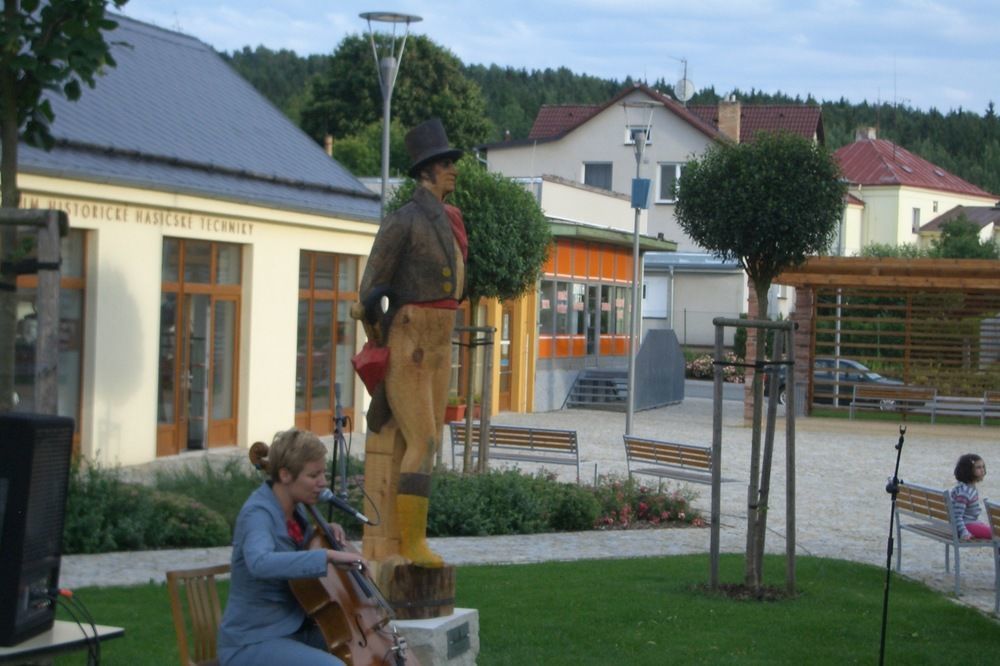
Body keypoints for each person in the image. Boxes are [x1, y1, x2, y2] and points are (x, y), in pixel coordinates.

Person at [355, 118, 467, 568]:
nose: (453, 171)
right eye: (445, 164)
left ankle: (413, 539)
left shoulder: (451, 221)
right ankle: (410, 544)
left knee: (431, 438)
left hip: (440, 342)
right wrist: (382, 343)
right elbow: (368, 294)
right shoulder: (403, 221)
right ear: (426, 172)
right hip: (411, 341)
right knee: (422, 440)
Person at [217, 428, 367, 666]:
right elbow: (260, 562)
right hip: (253, 641)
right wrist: (325, 556)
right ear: (285, 475)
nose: (322, 483)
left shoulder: (296, 511)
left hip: (294, 628)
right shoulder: (258, 514)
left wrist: (326, 531)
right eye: (313, 475)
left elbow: (300, 551)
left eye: (323, 473)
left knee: (362, 655)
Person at [950, 453, 991, 541]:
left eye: (983, 466)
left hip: (970, 523)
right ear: (968, 470)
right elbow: (957, 515)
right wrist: (964, 533)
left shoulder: (965, 487)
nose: (982, 470)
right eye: (978, 467)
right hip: (966, 526)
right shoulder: (965, 492)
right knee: (997, 534)